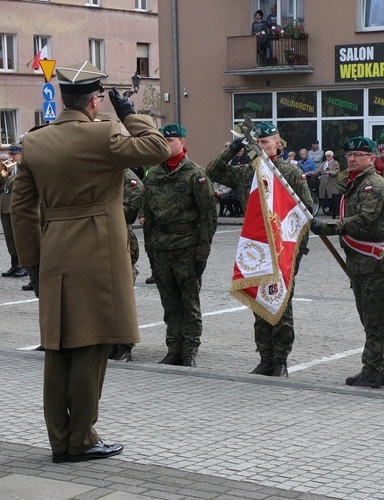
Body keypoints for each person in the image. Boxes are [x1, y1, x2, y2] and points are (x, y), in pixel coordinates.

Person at [10, 61, 171, 463]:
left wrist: (31, 259)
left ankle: (60, 438)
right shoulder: (105, 133)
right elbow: (157, 149)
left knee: (58, 347)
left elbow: (22, 208)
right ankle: (81, 440)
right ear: (95, 101)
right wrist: (130, 113)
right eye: (100, 99)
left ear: (64, 99)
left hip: (55, 247)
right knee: (91, 344)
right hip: (98, 249)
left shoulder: (34, 141)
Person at [207, 121, 313, 377]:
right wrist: (232, 149)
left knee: (281, 303)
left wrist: (296, 251)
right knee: (258, 300)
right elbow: (213, 171)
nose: (260, 147)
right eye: (256, 143)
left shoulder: (288, 173)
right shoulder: (247, 173)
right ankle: (265, 356)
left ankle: (280, 360)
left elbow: (305, 213)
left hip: (282, 249)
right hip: (256, 248)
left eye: (264, 142)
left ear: (278, 144)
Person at [310, 136, 384, 388]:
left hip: (374, 263)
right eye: (349, 156)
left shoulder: (373, 186)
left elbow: (363, 221)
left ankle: (373, 372)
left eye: (358, 155)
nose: (351, 159)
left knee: (375, 322)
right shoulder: (356, 183)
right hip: (360, 263)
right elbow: (337, 179)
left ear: (372, 158)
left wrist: (328, 227)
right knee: (369, 320)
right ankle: (376, 368)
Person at [143, 124, 218, 367]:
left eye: (171, 140)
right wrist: (150, 251)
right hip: (161, 247)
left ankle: (190, 349)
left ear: (183, 142)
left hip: (187, 246)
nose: (166, 144)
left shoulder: (196, 175)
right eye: (163, 140)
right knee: (169, 301)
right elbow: (149, 218)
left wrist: (202, 253)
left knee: (189, 301)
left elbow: (209, 217)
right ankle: (173, 347)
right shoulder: (154, 175)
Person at [108, 167, 145, 363]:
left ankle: (125, 346)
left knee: (122, 295)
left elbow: (131, 209)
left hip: (122, 237)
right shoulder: (100, 171)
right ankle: (110, 342)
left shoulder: (127, 177)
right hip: (100, 237)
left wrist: (104, 208)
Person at [0, 145, 27, 279]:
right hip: (5, 206)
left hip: (17, 207)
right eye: (11, 154)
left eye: (14, 154)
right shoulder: (8, 171)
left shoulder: (24, 170)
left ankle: (24, 265)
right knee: (9, 238)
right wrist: (3, 173)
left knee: (19, 238)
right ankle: (14, 264)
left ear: (21, 154)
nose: (11, 157)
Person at [312, 150, 341, 218]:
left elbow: (337, 171)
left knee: (331, 195)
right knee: (324, 195)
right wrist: (311, 173)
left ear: (332, 156)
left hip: (331, 181)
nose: (327, 157)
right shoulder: (324, 163)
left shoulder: (335, 163)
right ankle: (327, 208)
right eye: (326, 156)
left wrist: (330, 172)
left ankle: (332, 209)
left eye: (329, 156)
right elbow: (318, 170)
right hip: (323, 182)